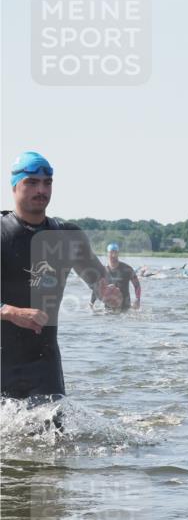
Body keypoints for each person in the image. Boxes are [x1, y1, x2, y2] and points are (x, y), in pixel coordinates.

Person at [1, 151, 121, 401]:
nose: (41, 190)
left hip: (44, 365)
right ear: (14, 186)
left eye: (47, 183)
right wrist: (9, 311)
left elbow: (98, 281)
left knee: (55, 437)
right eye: (31, 182)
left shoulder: (67, 235)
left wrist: (107, 293)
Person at [91, 242, 141, 311]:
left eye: (115, 252)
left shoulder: (127, 269)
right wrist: (91, 303)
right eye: (111, 252)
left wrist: (137, 299)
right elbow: (97, 289)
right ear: (107, 254)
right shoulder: (103, 271)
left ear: (118, 253)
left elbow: (137, 285)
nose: (113, 255)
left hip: (125, 308)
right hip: (108, 309)